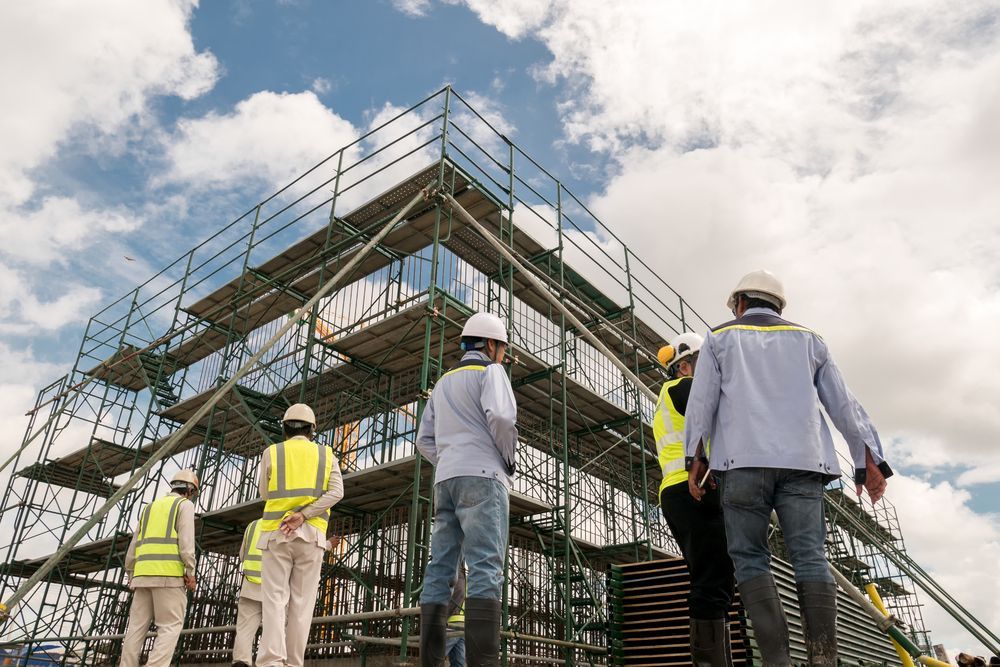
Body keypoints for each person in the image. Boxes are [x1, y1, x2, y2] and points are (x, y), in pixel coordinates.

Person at [683, 270, 893, 666]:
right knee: (810, 556)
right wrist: (869, 458)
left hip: (741, 464)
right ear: (778, 305)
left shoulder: (719, 339)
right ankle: (822, 659)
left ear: (741, 302)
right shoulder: (810, 340)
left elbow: (702, 403)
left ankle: (778, 662)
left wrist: (694, 460)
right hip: (803, 464)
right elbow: (843, 405)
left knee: (749, 557)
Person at [416, 312, 517, 667]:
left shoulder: (442, 383)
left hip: (445, 480)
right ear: (490, 345)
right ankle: (484, 663)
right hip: (484, 476)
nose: (503, 355)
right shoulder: (491, 372)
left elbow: (423, 440)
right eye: (502, 348)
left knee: (440, 567)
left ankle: (429, 661)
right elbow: (502, 419)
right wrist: (506, 458)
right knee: (486, 566)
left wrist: (449, 460)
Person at [654, 333, 734, 666]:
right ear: (684, 366)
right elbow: (723, 409)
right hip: (693, 489)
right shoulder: (681, 388)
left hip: (683, 491)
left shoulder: (671, 394)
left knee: (714, 578)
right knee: (713, 580)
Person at [257, 404, 344, 667]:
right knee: (302, 604)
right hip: (312, 537)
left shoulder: (272, 452)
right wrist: (304, 515)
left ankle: (272, 661)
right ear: (312, 430)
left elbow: (264, 494)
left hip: (277, 533)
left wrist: (291, 513)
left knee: (274, 599)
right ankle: (293, 663)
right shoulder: (326, 455)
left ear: (284, 428)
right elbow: (337, 492)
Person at [232, 519, 342, 667]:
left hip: (250, 585)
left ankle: (240, 662)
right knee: (274, 626)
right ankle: (274, 662)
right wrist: (327, 545)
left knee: (245, 628)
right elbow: (299, 551)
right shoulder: (283, 523)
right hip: (274, 584)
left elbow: (242, 555)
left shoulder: (252, 526)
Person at [121, 469, 199, 667]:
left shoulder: (150, 508)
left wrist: (131, 573)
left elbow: (133, 546)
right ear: (190, 490)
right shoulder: (184, 505)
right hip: (169, 576)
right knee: (170, 626)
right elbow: (187, 545)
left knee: (135, 629)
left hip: (142, 576)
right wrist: (190, 573)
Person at [444, 562, 467, 666]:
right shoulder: (460, 575)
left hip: (458, 626)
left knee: (458, 662)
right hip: (456, 625)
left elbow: (459, 595)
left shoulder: (462, 576)